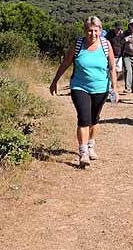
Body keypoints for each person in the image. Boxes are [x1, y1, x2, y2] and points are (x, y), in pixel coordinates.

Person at [49, 16, 119, 168]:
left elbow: (112, 67)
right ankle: (83, 152)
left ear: (100, 31)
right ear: (84, 31)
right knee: (84, 118)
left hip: (101, 88)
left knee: (94, 119)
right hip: (79, 87)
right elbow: (66, 63)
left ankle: (91, 145)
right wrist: (55, 81)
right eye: (89, 30)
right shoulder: (78, 45)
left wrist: (114, 88)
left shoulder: (106, 44)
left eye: (95, 31)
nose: (92, 34)